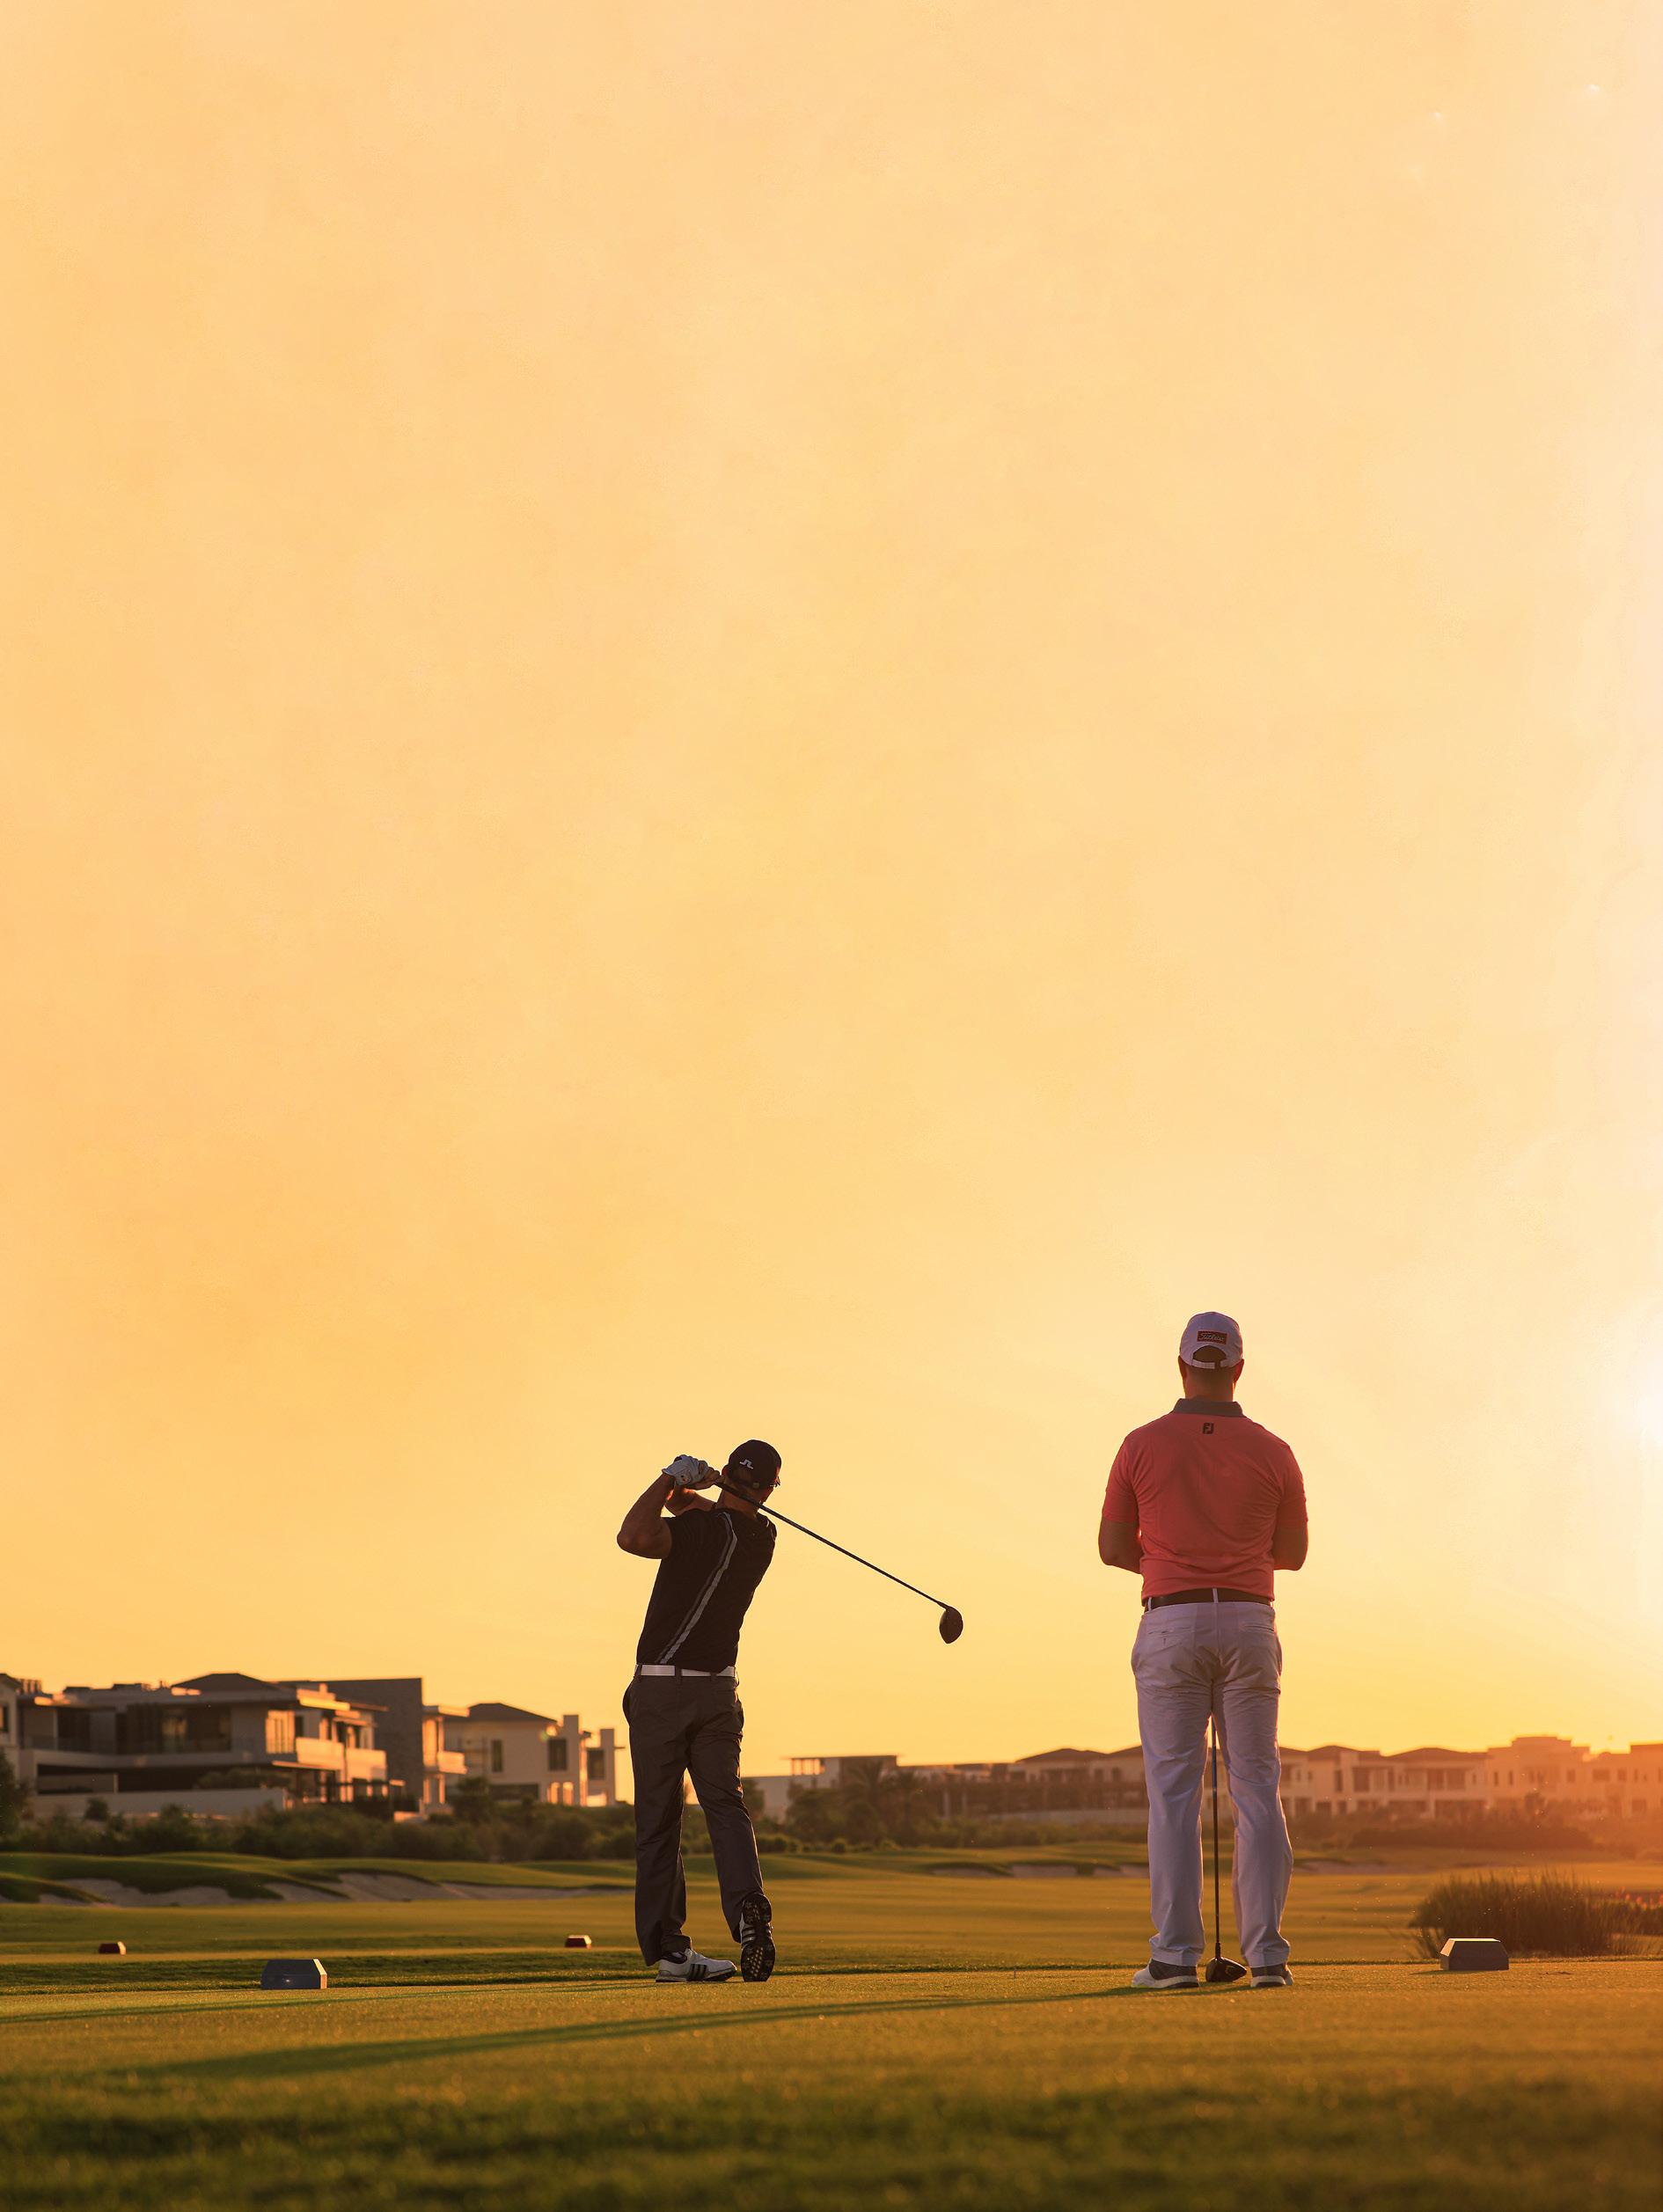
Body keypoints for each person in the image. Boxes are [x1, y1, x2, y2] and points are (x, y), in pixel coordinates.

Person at [1099, 1313, 1308, 1990]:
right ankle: (1269, 1958)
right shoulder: (1275, 1451)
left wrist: (1174, 1561)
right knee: (1256, 1789)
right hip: (1248, 1620)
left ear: (1182, 1366)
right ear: (1238, 1369)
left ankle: (1173, 1959)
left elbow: (1112, 1548)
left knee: (1174, 1796)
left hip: (1171, 1619)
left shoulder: (1139, 1444)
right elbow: (1293, 1554)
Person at [616, 1439, 782, 1983]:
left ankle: (671, 1951)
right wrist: (702, 1488)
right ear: (770, 1491)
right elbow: (712, 1513)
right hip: (719, 1694)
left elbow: (633, 1535)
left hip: (662, 1692)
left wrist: (670, 1476)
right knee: (726, 1806)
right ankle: (748, 1908)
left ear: (730, 1473)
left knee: (659, 1823)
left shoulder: (696, 1532)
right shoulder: (762, 1537)